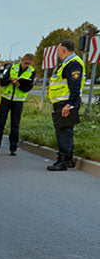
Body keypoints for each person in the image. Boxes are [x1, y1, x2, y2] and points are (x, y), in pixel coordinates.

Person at [46, 39, 85, 172]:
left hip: (66, 103)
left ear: (63, 50)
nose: (58, 53)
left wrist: (69, 104)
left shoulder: (73, 64)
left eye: (58, 50)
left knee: (63, 133)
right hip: (63, 102)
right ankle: (68, 160)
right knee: (65, 131)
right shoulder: (66, 63)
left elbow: (75, 86)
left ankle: (62, 161)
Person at [0, 53, 35, 155]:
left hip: (18, 101)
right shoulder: (12, 67)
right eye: (25, 63)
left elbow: (28, 87)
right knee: (0, 123)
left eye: (29, 64)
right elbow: (2, 81)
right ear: (22, 60)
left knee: (15, 125)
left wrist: (19, 84)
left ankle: (13, 148)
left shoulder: (31, 71)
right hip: (6, 98)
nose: (26, 66)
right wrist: (10, 80)